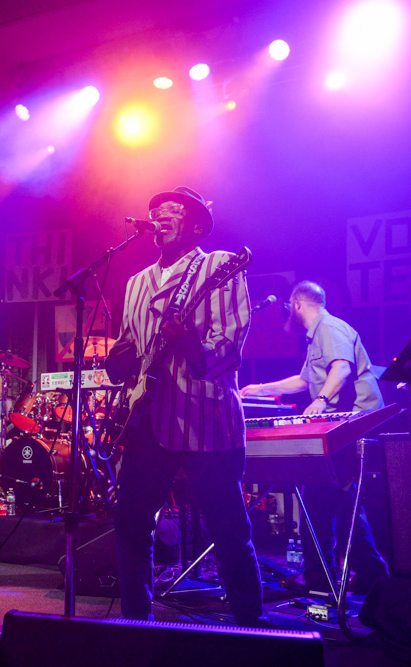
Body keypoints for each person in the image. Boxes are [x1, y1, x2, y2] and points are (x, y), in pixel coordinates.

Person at [104, 186, 268, 626]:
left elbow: (229, 349)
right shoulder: (136, 283)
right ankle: (137, 623)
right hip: (148, 420)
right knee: (131, 524)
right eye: (153, 210)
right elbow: (130, 350)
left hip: (206, 417)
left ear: (195, 224)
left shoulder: (220, 267)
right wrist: (116, 362)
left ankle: (252, 627)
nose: (158, 215)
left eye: (170, 210)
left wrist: (193, 347)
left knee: (229, 529)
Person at [240, 280, 389, 594]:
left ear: (296, 303)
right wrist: (261, 388)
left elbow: (342, 369)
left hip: (354, 422)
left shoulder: (330, 329)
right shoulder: (317, 335)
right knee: (342, 500)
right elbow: (302, 379)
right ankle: (370, 573)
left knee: (318, 498)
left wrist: (320, 401)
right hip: (348, 423)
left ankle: (320, 576)